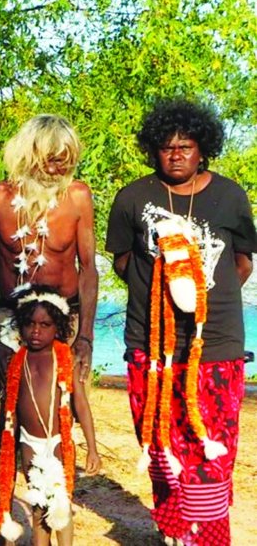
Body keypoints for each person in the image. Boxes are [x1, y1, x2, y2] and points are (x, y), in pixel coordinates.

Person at [106, 98, 257, 545]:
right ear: (154, 149)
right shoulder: (133, 197)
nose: (176, 154)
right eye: (167, 146)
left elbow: (242, 263)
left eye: (185, 146)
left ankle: (207, 537)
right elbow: (123, 262)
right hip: (150, 347)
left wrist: (208, 294)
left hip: (216, 346)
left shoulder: (231, 196)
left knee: (212, 452)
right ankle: (174, 532)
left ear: (202, 149)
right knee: (160, 446)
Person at [0, 114, 98, 427]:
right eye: (50, 161)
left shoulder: (78, 197)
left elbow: (88, 269)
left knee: (60, 418)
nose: (56, 171)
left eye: (64, 162)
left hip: (64, 321)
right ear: (29, 156)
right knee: (8, 421)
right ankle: (5, 477)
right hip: (11, 321)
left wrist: (84, 336)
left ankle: (58, 478)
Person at [0, 288, 100, 546]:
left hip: (57, 441)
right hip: (26, 442)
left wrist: (92, 448)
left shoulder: (65, 358)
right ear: (20, 327)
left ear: (58, 327)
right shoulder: (16, 361)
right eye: (30, 324)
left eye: (45, 325)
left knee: (61, 501)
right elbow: (11, 413)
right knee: (38, 503)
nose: (36, 331)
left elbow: (81, 405)